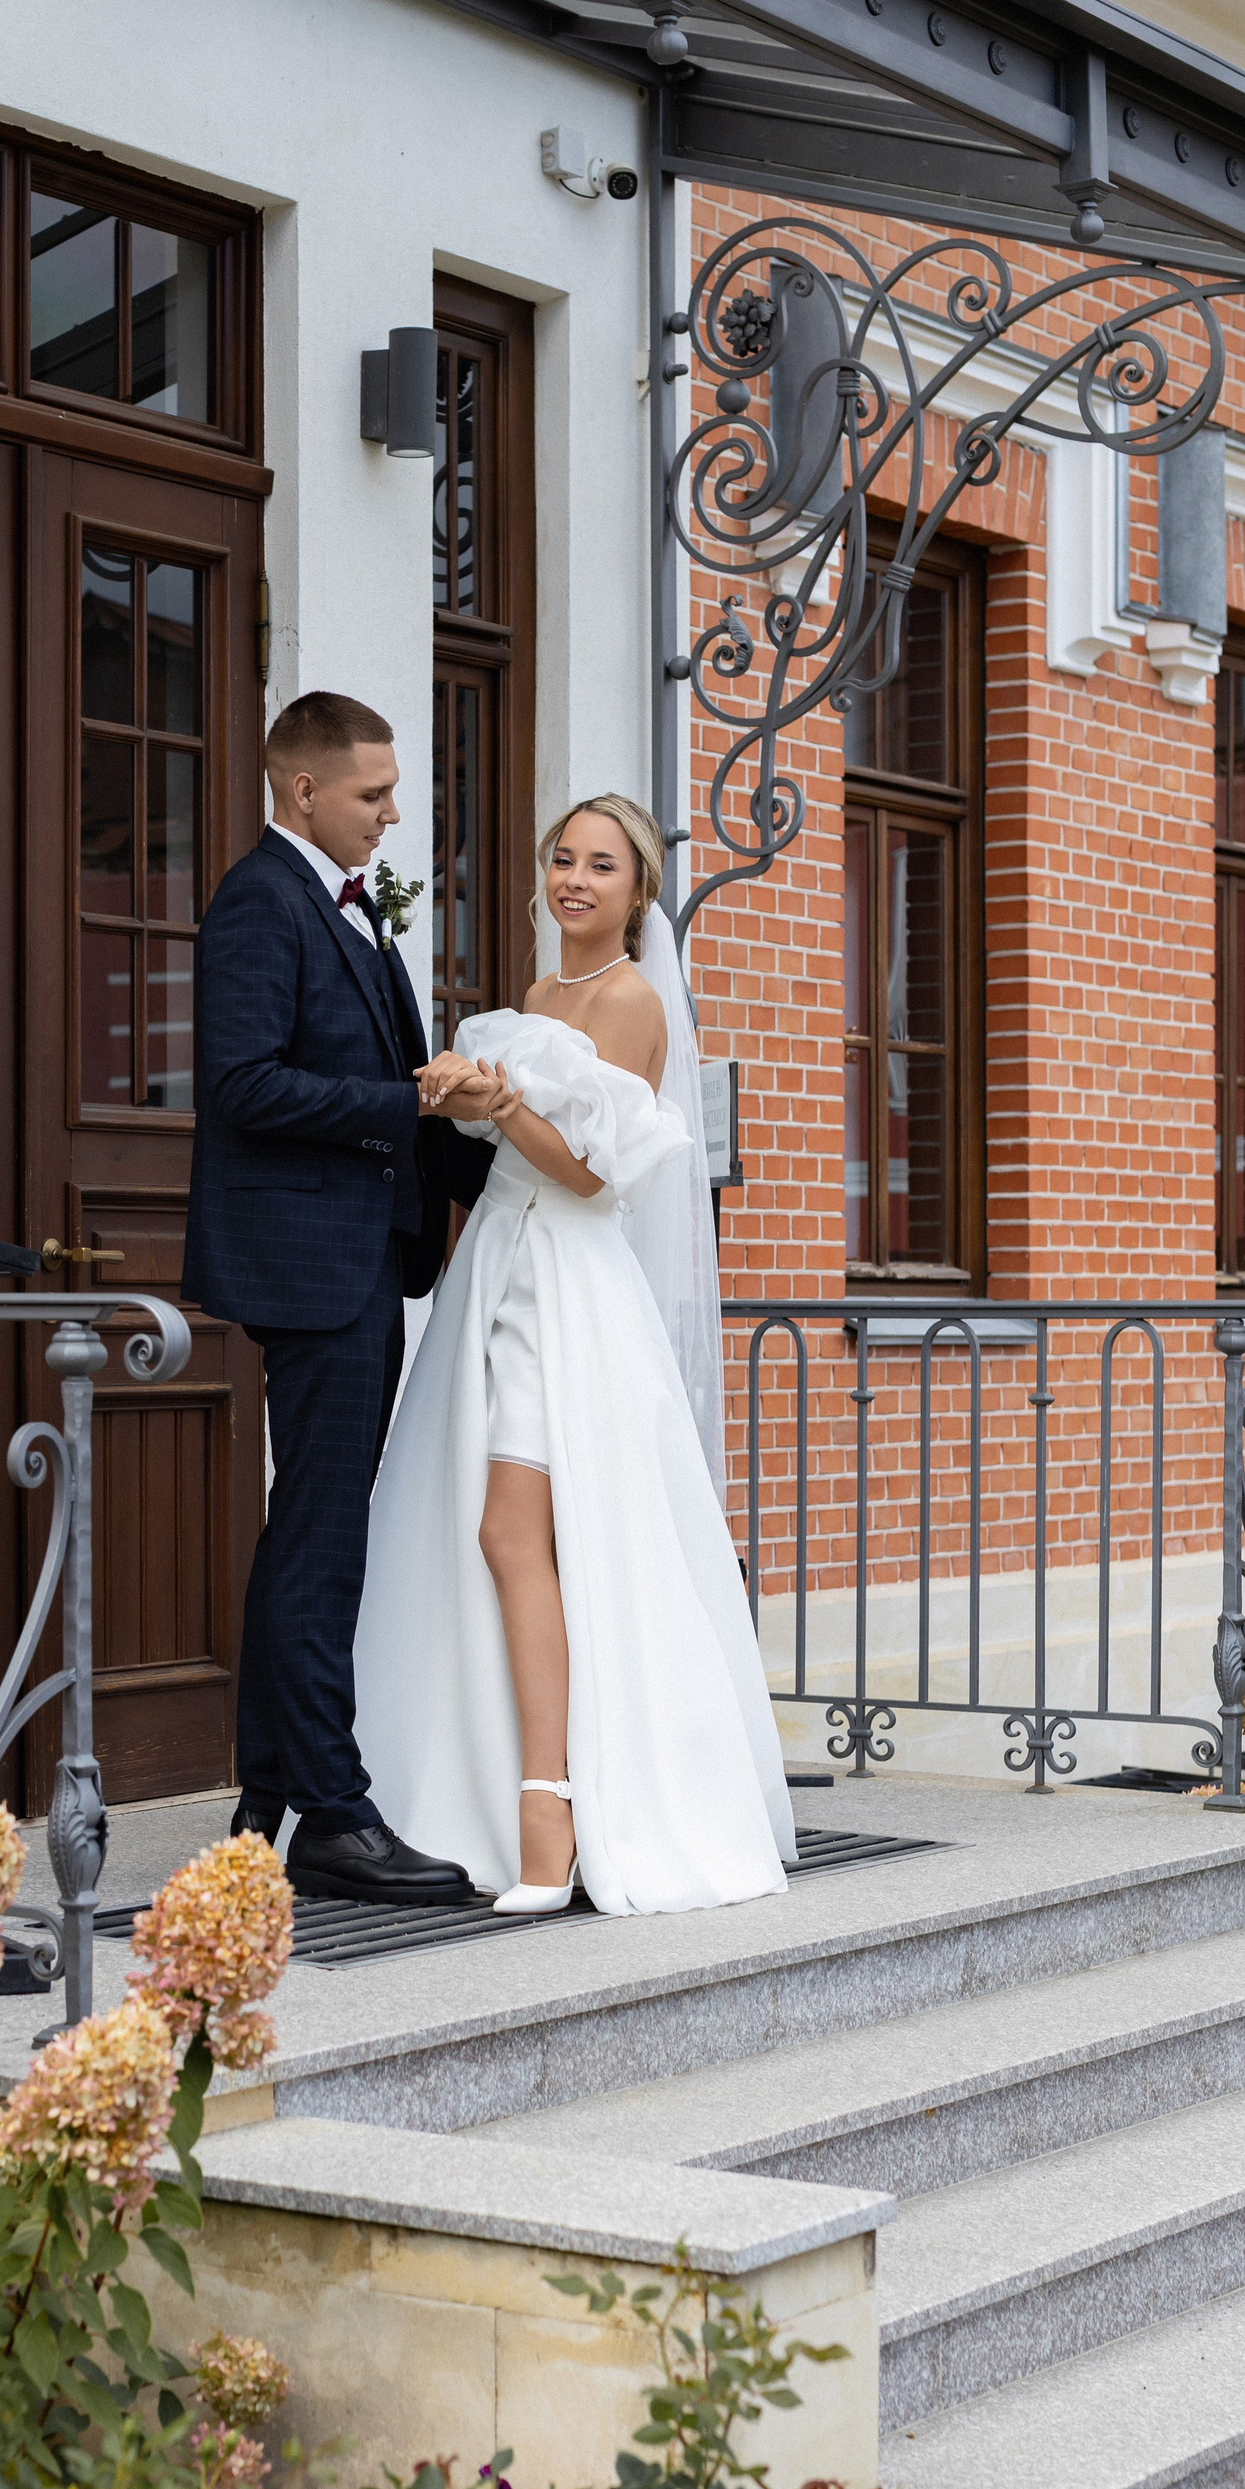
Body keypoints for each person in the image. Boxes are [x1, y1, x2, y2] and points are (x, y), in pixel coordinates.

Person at [351, 793, 796, 1917]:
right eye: (563, 858)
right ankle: (488, 1788)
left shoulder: (633, 1001)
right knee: (479, 1530)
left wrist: (499, 1103)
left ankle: (549, 1808)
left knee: (512, 1532)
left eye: (602, 865)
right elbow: (508, 1148)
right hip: (495, 1270)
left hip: (564, 1283)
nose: (576, 880)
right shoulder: (541, 997)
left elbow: (593, 1173)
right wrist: (461, 1097)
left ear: (637, 891)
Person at [183, 690, 495, 1906]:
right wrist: (409, 1104)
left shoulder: (350, 905)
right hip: (310, 1266)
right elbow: (243, 1084)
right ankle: (333, 1813)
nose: (393, 812)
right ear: (302, 790)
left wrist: (506, 1150)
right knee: (323, 1536)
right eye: (374, 793)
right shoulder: (261, 901)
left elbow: (392, 1085)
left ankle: (269, 1796)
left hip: (361, 1257)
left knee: (312, 1529)